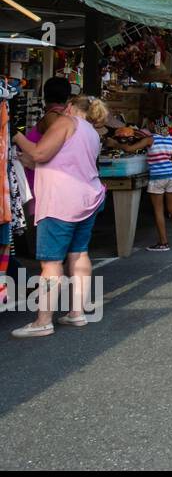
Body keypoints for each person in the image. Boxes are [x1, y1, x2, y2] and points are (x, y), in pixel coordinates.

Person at [10, 96, 107, 338]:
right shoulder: (92, 132)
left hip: (61, 201)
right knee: (79, 254)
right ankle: (77, 312)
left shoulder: (67, 121)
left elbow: (41, 153)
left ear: (71, 106)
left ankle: (43, 321)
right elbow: (64, 162)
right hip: (88, 197)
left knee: (51, 263)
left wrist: (15, 135)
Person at [144, 122, 172, 252]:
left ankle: (163, 243)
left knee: (158, 210)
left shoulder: (150, 139)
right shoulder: (171, 139)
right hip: (171, 176)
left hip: (157, 178)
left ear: (153, 127)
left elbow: (130, 149)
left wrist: (116, 144)